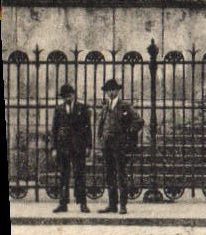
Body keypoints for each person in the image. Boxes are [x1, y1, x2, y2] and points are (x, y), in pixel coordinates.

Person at [98, 78, 141, 215]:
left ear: (117, 91)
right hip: (107, 146)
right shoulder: (105, 108)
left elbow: (138, 121)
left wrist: (128, 134)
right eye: (108, 90)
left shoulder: (125, 107)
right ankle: (112, 205)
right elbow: (100, 126)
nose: (110, 93)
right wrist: (101, 139)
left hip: (120, 146)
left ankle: (123, 205)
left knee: (121, 174)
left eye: (113, 90)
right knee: (109, 175)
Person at [51, 82, 92, 214]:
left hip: (78, 147)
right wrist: (54, 148)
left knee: (79, 175)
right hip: (63, 147)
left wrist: (88, 146)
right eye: (64, 97)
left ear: (74, 95)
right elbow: (54, 130)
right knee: (63, 175)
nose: (67, 98)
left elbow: (88, 129)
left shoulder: (82, 108)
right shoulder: (58, 109)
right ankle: (63, 203)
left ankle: (82, 203)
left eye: (69, 95)